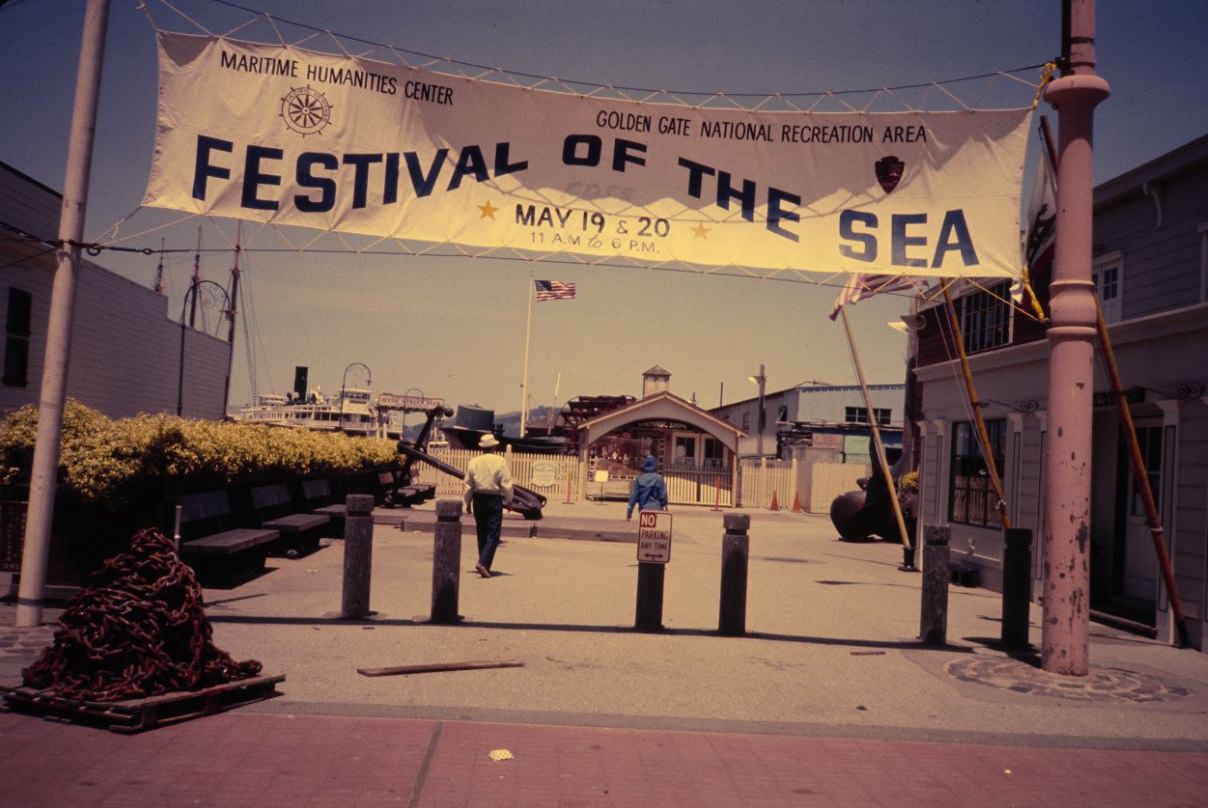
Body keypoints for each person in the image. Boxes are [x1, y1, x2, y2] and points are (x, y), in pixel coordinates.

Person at [463, 434, 513, 577]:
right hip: (493, 499)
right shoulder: (500, 461)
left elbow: (468, 484)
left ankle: (484, 563)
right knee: (493, 533)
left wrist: (468, 502)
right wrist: (509, 501)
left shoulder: (474, 462)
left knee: (482, 532)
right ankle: (483, 563)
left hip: (478, 498)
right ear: (494, 446)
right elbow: (506, 483)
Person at [626, 455, 668, 520]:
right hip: (657, 510)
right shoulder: (659, 478)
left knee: (644, 529)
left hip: (644, 510)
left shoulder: (639, 478)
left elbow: (633, 496)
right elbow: (663, 496)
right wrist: (665, 506)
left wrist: (629, 513)